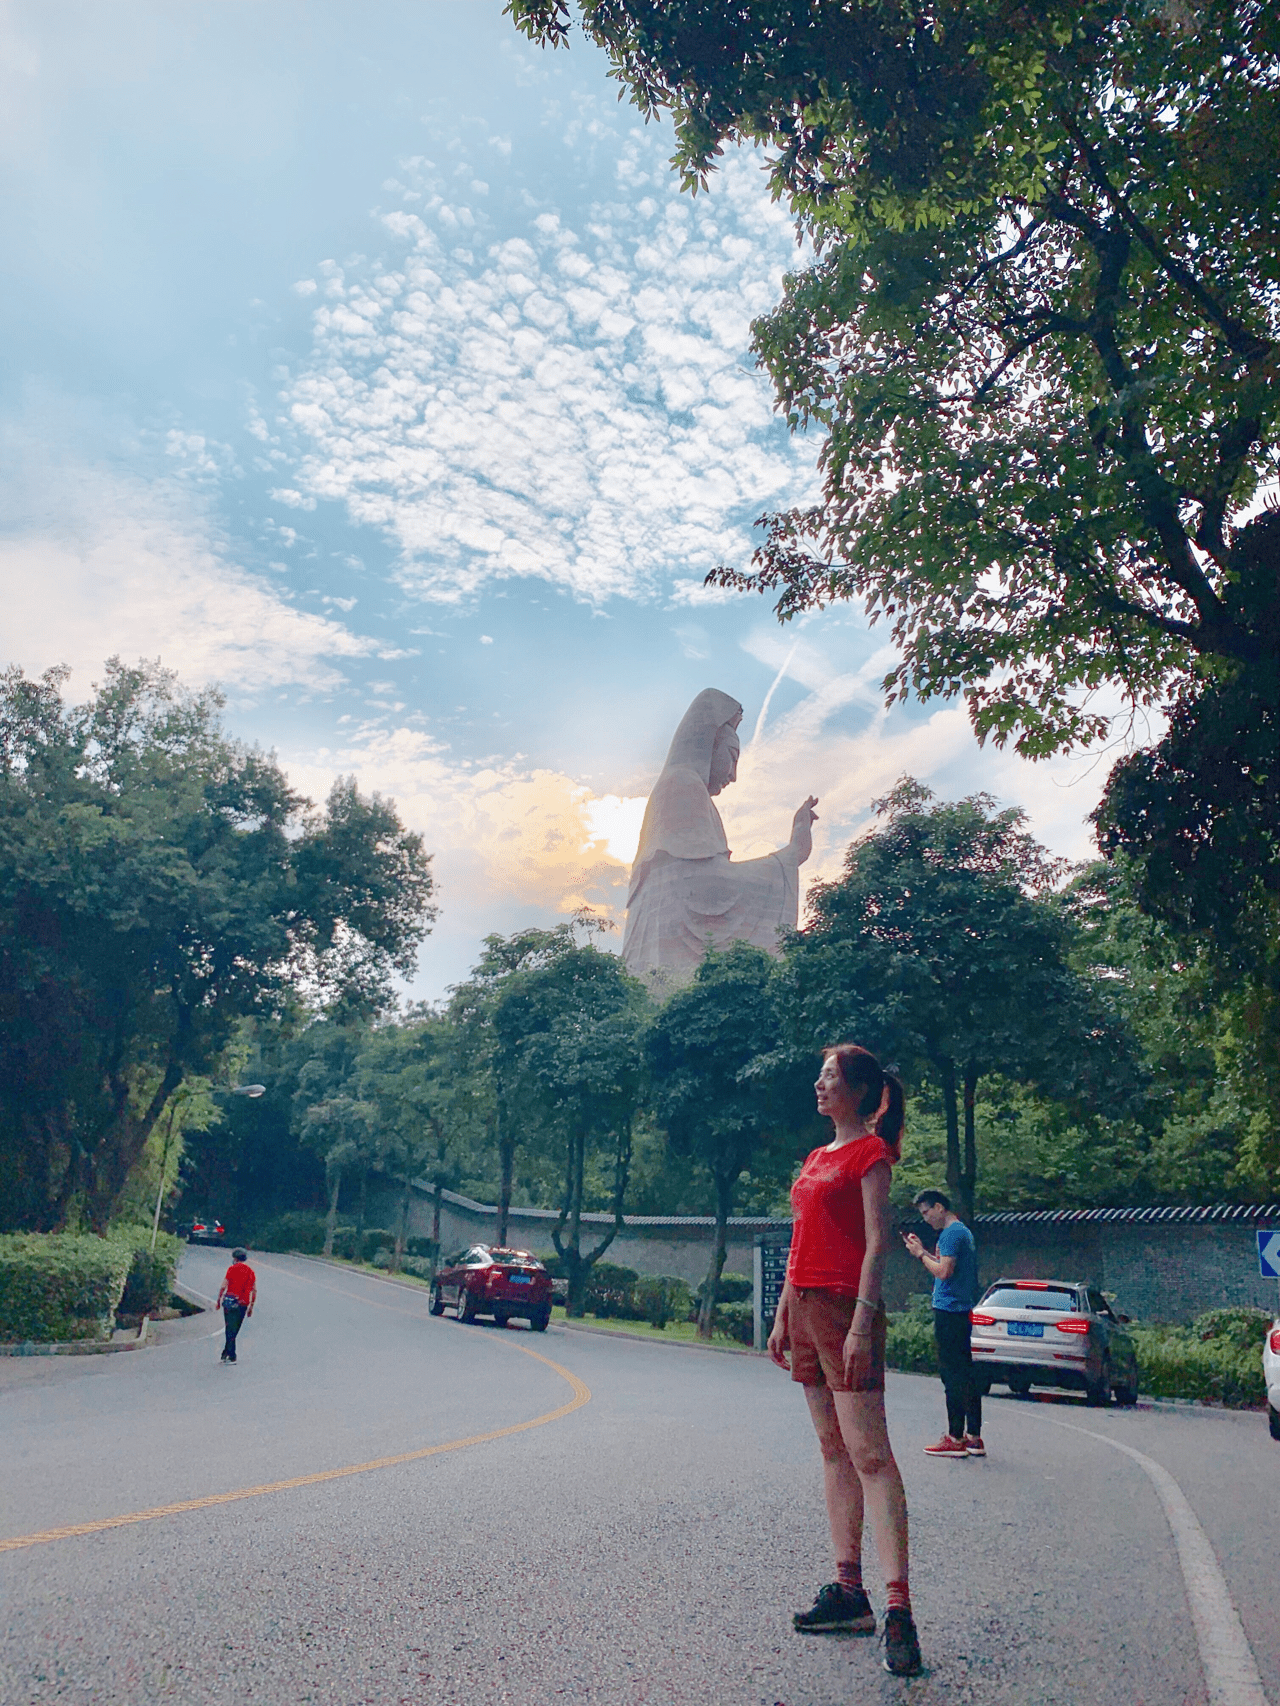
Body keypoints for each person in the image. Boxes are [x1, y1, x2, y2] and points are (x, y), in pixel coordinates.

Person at [768, 1045, 923, 1678]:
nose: (819, 1084)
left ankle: (899, 1609)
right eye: (821, 1076)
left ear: (858, 1090)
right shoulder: (814, 1157)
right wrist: (782, 1314)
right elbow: (800, 1236)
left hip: (844, 1309)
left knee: (871, 1456)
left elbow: (878, 1242)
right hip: (804, 1305)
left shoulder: (870, 1155)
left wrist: (862, 1320)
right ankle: (848, 1591)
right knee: (833, 1452)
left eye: (830, 1076)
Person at [903, 1191, 983, 1457]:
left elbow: (944, 1272)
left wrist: (918, 1255)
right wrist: (925, 1250)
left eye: (926, 1212)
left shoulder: (950, 1234)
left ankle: (955, 1436)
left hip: (949, 1310)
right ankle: (973, 1435)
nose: (926, 1219)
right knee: (966, 1371)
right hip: (962, 1308)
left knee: (951, 1373)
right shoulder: (962, 1232)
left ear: (939, 1207)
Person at [216, 1248, 256, 1364]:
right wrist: (251, 1307)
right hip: (243, 1304)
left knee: (229, 1328)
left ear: (235, 1258)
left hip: (230, 1302)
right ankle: (227, 1353)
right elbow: (254, 1290)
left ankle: (230, 1354)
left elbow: (224, 1285)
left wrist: (219, 1300)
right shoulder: (250, 1272)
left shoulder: (232, 1269)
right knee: (235, 1329)